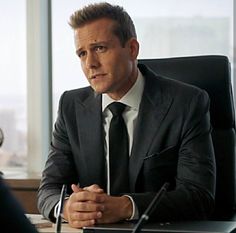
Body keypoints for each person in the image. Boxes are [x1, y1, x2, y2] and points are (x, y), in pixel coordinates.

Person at [37, 2, 216, 229]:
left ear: (132, 49)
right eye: (82, 53)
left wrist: (125, 206)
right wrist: (66, 207)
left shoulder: (186, 103)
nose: (90, 63)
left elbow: (198, 195)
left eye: (100, 48)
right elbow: (49, 189)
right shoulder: (70, 106)